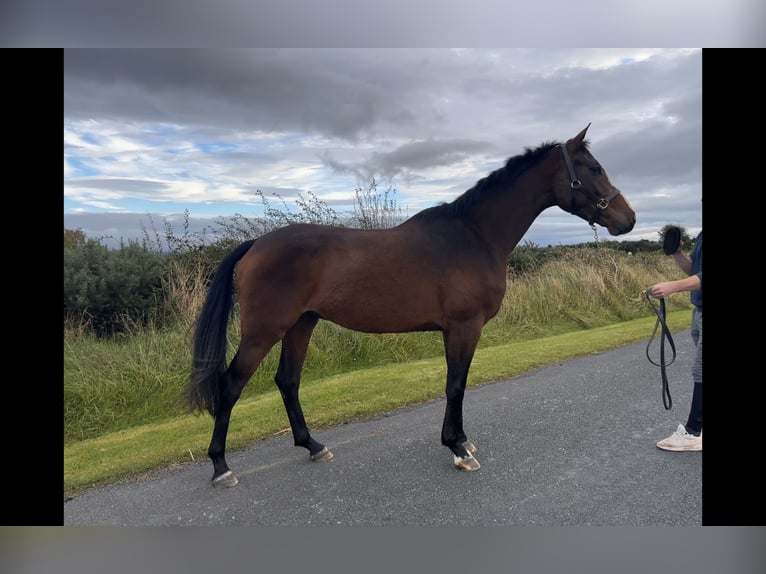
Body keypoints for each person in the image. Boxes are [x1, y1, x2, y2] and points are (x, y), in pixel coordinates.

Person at [647, 229, 702, 452]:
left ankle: (693, 431)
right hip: (699, 310)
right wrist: (677, 254)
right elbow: (695, 272)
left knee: (701, 370)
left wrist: (673, 286)